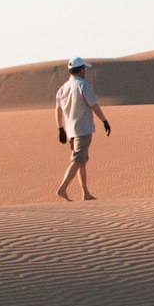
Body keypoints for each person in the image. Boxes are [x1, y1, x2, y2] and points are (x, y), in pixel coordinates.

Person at [55, 57, 111, 201]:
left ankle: (85, 193)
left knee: (82, 161)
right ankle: (62, 188)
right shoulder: (82, 85)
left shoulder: (62, 88)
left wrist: (60, 128)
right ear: (80, 70)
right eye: (84, 69)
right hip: (83, 129)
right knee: (78, 160)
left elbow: (58, 110)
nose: (85, 71)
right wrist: (104, 121)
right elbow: (94, 104)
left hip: (71, 131)